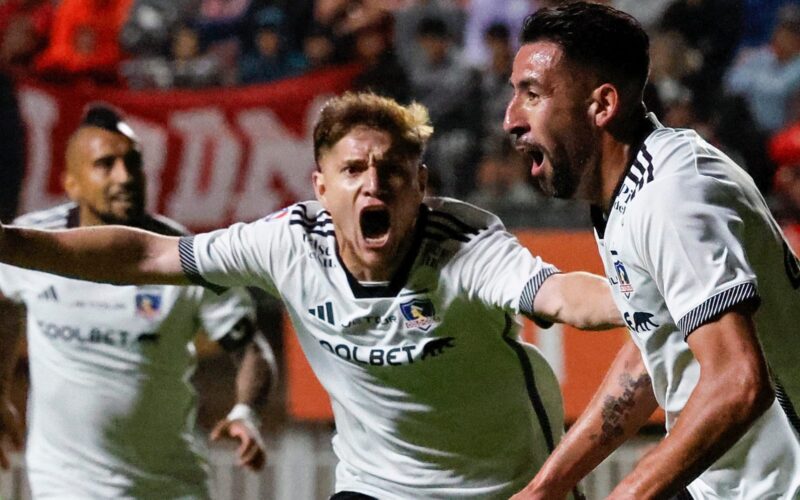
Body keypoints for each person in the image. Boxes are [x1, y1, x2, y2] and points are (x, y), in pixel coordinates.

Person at [0, 92, 622, 499]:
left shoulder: (463, 242)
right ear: (321, 188)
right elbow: (143, 255)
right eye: (353, 171)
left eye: (392, 172)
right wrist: (5, 242)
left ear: (421, 186)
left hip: (509, 485)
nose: (373, 184)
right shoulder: (287, 244)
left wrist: (646, 296)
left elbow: (562, 297)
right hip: (377, 488)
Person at [503, 3, 800, 498]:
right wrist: (546, 486)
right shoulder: (629, 188)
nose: (511, 119)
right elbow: (655, 347)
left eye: (531, 95)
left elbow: (737, 383)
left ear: (601, 105)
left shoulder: (672, 196)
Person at [0, 104, 276, 499]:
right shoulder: (33, 246)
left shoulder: (186, 256)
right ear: (72, 183)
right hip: (66, 486)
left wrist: (247, 411)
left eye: (133, 163)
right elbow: (5, 304)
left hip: (169, 487)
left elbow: (251, 349)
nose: (124, 177)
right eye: (105, 164)